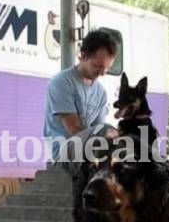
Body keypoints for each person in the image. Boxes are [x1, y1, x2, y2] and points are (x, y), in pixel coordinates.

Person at [43, 29, 117, 163]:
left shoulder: (100, 92)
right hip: (63, 152)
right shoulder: (61, 83)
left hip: (87, 150)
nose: (102, 73)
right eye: (97, 66)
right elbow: (74, 129)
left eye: (106, 68)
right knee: (108, 131)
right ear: (83, 56)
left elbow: (98, 129)